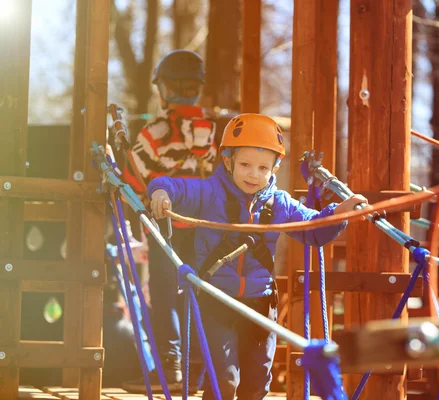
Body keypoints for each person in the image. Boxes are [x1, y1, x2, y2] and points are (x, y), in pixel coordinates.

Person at [148, 113, 367, 399]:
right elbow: (173, 185)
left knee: (257, 385)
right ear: (227, 161)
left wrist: (340, 213)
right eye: (245, 165)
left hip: (260, 304)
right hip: (217, 301)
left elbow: (313, 231)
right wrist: (161, 191)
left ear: (275, 167)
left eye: (263, 167)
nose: (253, 174)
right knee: (225, 381)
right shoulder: (209, 192)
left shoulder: (279, 204)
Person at [122, 49, 217, 394]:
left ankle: (171, 366)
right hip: (206, 228)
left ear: (163, 89)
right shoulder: (214, 133)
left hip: (165, 227)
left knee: (164, 294)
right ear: (198, 88)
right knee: (198, 293)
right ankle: (197, 368)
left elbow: (134, 178)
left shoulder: (155, 132)